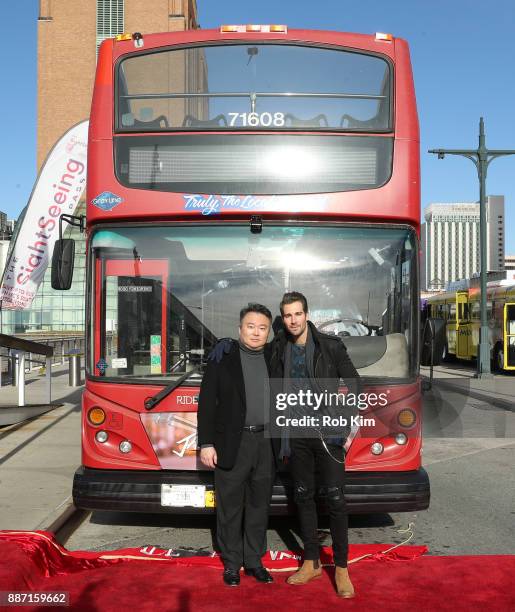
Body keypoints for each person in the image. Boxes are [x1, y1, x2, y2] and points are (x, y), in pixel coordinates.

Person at [268, 291, 361, 598]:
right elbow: (253, 362)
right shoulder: (277, 348)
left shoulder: (329, 347)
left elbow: (354, 383)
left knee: (335, 498)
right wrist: (228, 347)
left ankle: (343, 569)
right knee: (303, 496)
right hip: (294, 434)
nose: (293, 320)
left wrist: (340, 417)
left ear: (306, 315)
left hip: (327, 433)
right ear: (283, 318)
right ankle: (311, 562)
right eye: (287, 315)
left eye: (297, 314)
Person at [198, 303, 275, 586]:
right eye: (250, 327)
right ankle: (232, 563)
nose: (256, 333)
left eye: (262, 328)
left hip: (267, 443)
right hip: (233, 442)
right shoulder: (223, 358)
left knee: (258, 505)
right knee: (229, 507)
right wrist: (206, 443)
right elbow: (207, 404)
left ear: (269, 332)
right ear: (240, 329)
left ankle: (254, 561)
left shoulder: (275, 357)